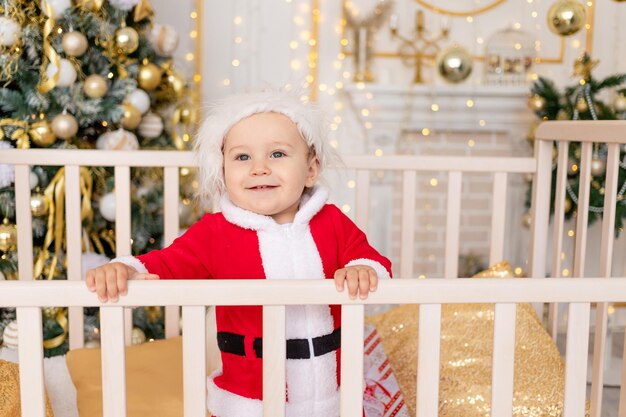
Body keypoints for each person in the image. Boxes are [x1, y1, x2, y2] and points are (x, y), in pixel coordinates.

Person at [86, 89, 392, 417]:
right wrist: (125, 268)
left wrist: (362, 269)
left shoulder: (332, 221)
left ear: (311, 169)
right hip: (248, 404)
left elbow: (372, 260)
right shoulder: (215, 233)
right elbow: (165, 264)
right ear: (223, 173)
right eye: (242, 157)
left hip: (335, 400)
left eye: (277, 154)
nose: (259, 168)